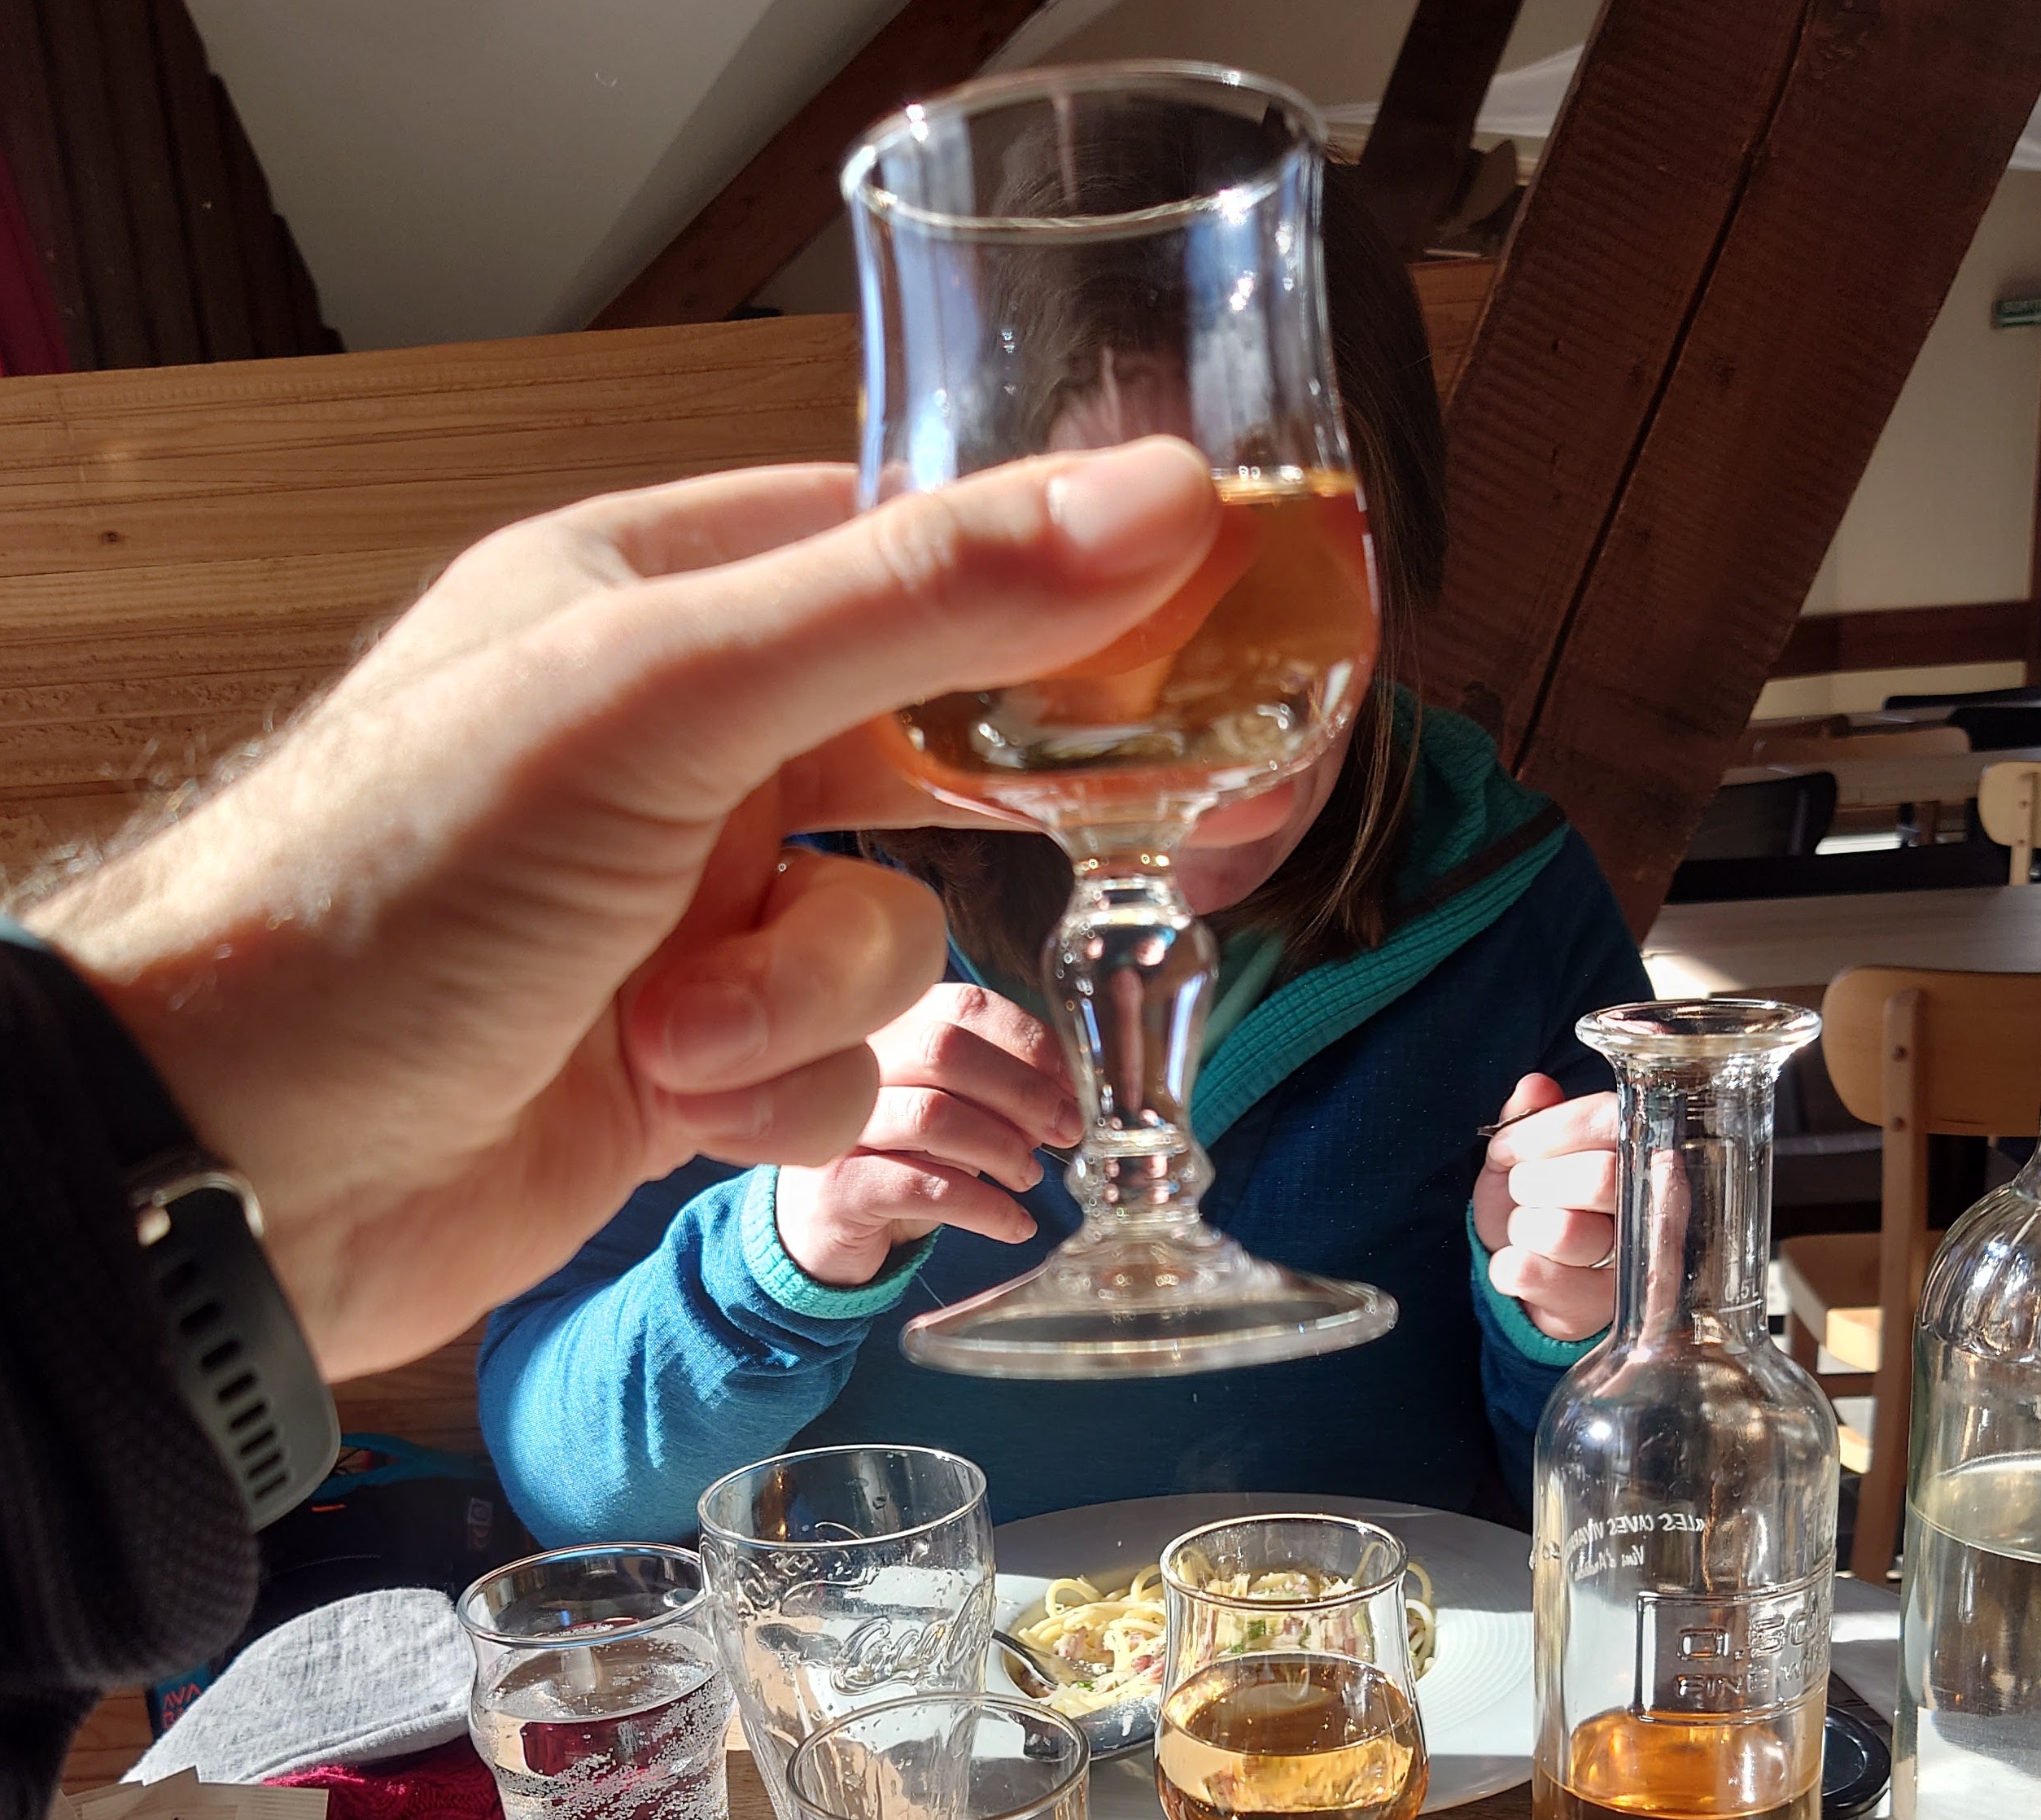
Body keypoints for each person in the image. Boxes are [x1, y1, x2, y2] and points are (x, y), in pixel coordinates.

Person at [0, 435, 1249, 1820]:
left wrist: (132, 1121)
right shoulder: (734, 896)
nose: (1165, 639)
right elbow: (566, 1482)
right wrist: (777, 1258)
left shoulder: (1473, 925)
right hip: (893, 1818)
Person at [479, 173, 1642, 1547]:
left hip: (1372, 1671)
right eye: (1094, 576)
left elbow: (1628, 1531)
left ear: (1380, 553)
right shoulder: (780, 877)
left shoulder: (1515, 897)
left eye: (1258, 561)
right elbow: (568, 1490)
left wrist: (1586, 1333)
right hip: (899, 1683)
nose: (1182, 665)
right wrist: (782, 1248)